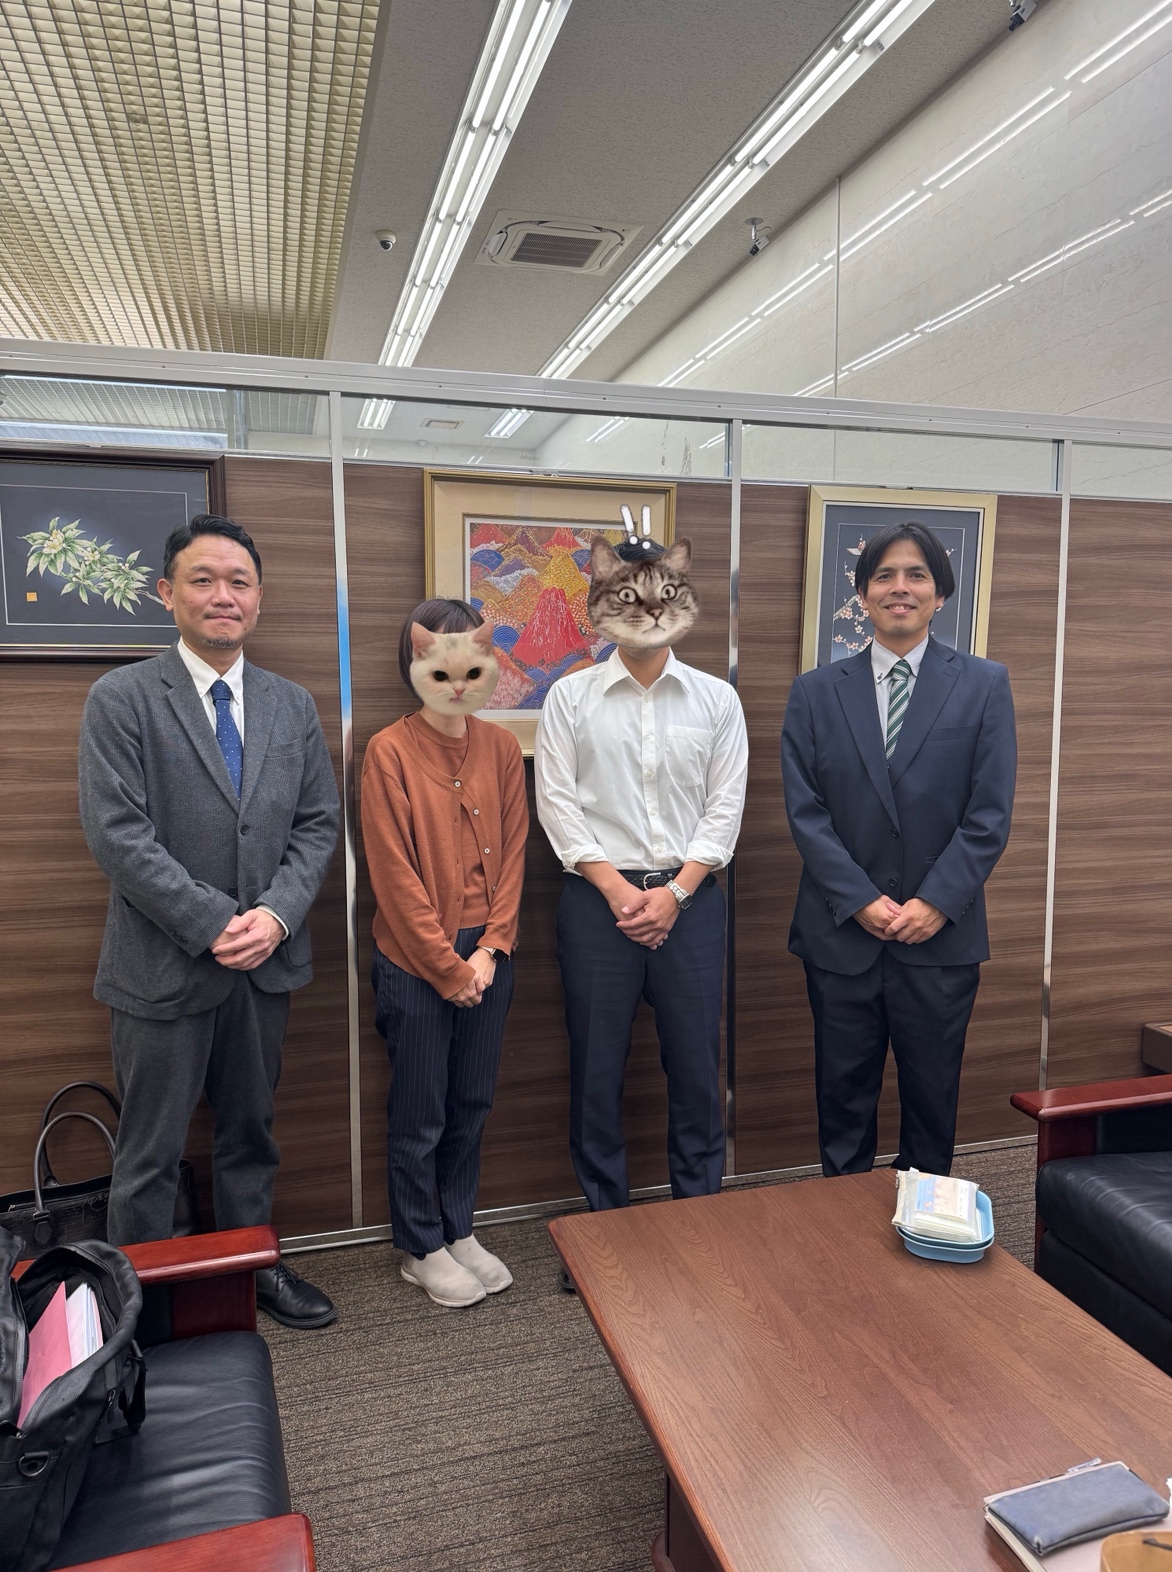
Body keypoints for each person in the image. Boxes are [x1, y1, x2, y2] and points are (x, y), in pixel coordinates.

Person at [78, 513, 340, 1328]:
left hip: (265, 963)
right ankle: (142, 1307)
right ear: (166, 593)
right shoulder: (122, 698)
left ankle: (250, 1269)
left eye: (239, 582)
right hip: (162, 965)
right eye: (203, 579)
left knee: (251, 1134)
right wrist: (217, 921)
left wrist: (277, 916)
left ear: (259, 598)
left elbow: (316, 825)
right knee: (149, 1152)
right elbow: (117, 835)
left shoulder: (291, 705)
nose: (223, 595)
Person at [781, 520, 1017, 1178]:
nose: (900, 588)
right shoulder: (815, 692)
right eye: (883, 576)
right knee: (841, 1102)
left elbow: (989, 814)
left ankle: (927, 1226)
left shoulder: (984, 685)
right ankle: (842, 1228)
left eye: (917, 575)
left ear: (941, 593)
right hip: (841, 935)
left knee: (932, 1105)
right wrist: (859, 899)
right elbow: (806, 812)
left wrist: (936, 902)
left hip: (939, 939)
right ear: (862, 595)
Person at [535, 533, 748, 1238]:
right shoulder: (569, 697)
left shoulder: (717, 699)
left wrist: (676, 893)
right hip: (598, 904)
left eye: (665, 595)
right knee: (596, 1072)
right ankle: (606, 1229)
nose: (650, 609)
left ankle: (699, 1219)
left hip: (692, 903)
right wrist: (618, 891)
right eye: (630, 596)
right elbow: (557, 803)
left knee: (696, 1070)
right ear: (600, 603)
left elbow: (725, 807)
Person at [361, 599, 528, 1308]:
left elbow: (515, 854)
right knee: (420, 1110)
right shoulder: (388, 751)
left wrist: (491, 948)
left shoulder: (501, 748)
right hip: (414, 958)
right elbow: (393, 874)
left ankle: (459, 1227)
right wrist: (447, 967)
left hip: (489, 954)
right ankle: (420, 1243)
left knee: (472, 1101)